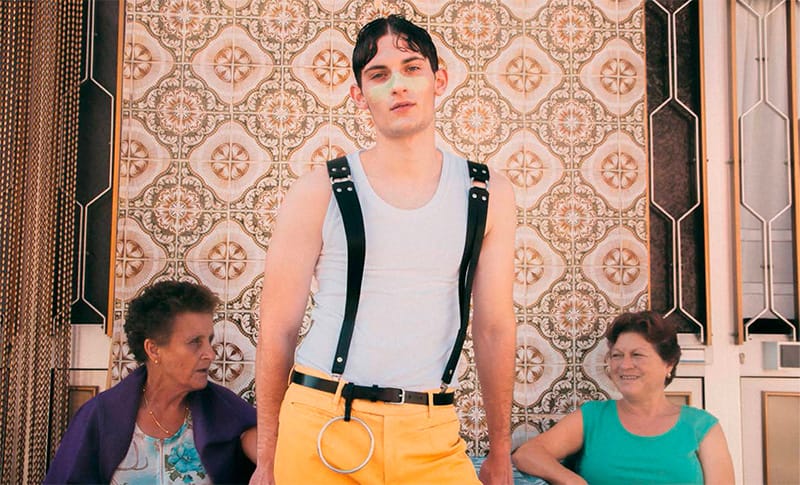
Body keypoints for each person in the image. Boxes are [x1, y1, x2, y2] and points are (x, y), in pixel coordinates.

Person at [250, 14, 517, 485]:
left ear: (439, 80)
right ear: (359, 95)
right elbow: (278, 328)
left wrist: (500, 450)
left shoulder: (487, 192)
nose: (398, 85)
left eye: (412, 68)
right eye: (379, 75)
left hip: (432, 432)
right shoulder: (319, 190)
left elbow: (494, 327)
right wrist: (267, 459)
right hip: (321, 424)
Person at [44, 280, 258, 484]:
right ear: (153, 350)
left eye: (209, 341)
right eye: (195, 342)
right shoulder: (101, 415)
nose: (210, 354)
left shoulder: (226, 410)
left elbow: (267, 452)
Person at [511, 311, 735, 485]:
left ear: (669, 364)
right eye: (617, 355)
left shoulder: (702, 426)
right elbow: (527, 455)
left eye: (637, 355)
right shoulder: (593, 417)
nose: (624, 365)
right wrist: (572, 480)